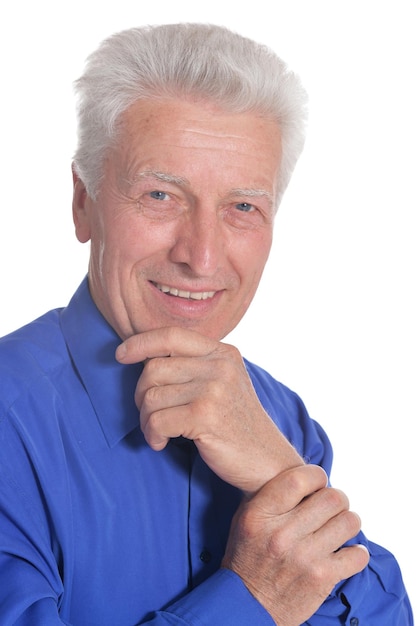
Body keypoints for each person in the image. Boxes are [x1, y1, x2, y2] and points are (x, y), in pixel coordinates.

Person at [0, 23, 412, 626]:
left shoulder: (278, 418)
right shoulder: (9, 426)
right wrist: (253, 598)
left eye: (242, 207)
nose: (203, 257)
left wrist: (282, 475)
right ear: (83, 201)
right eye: (161, 196)